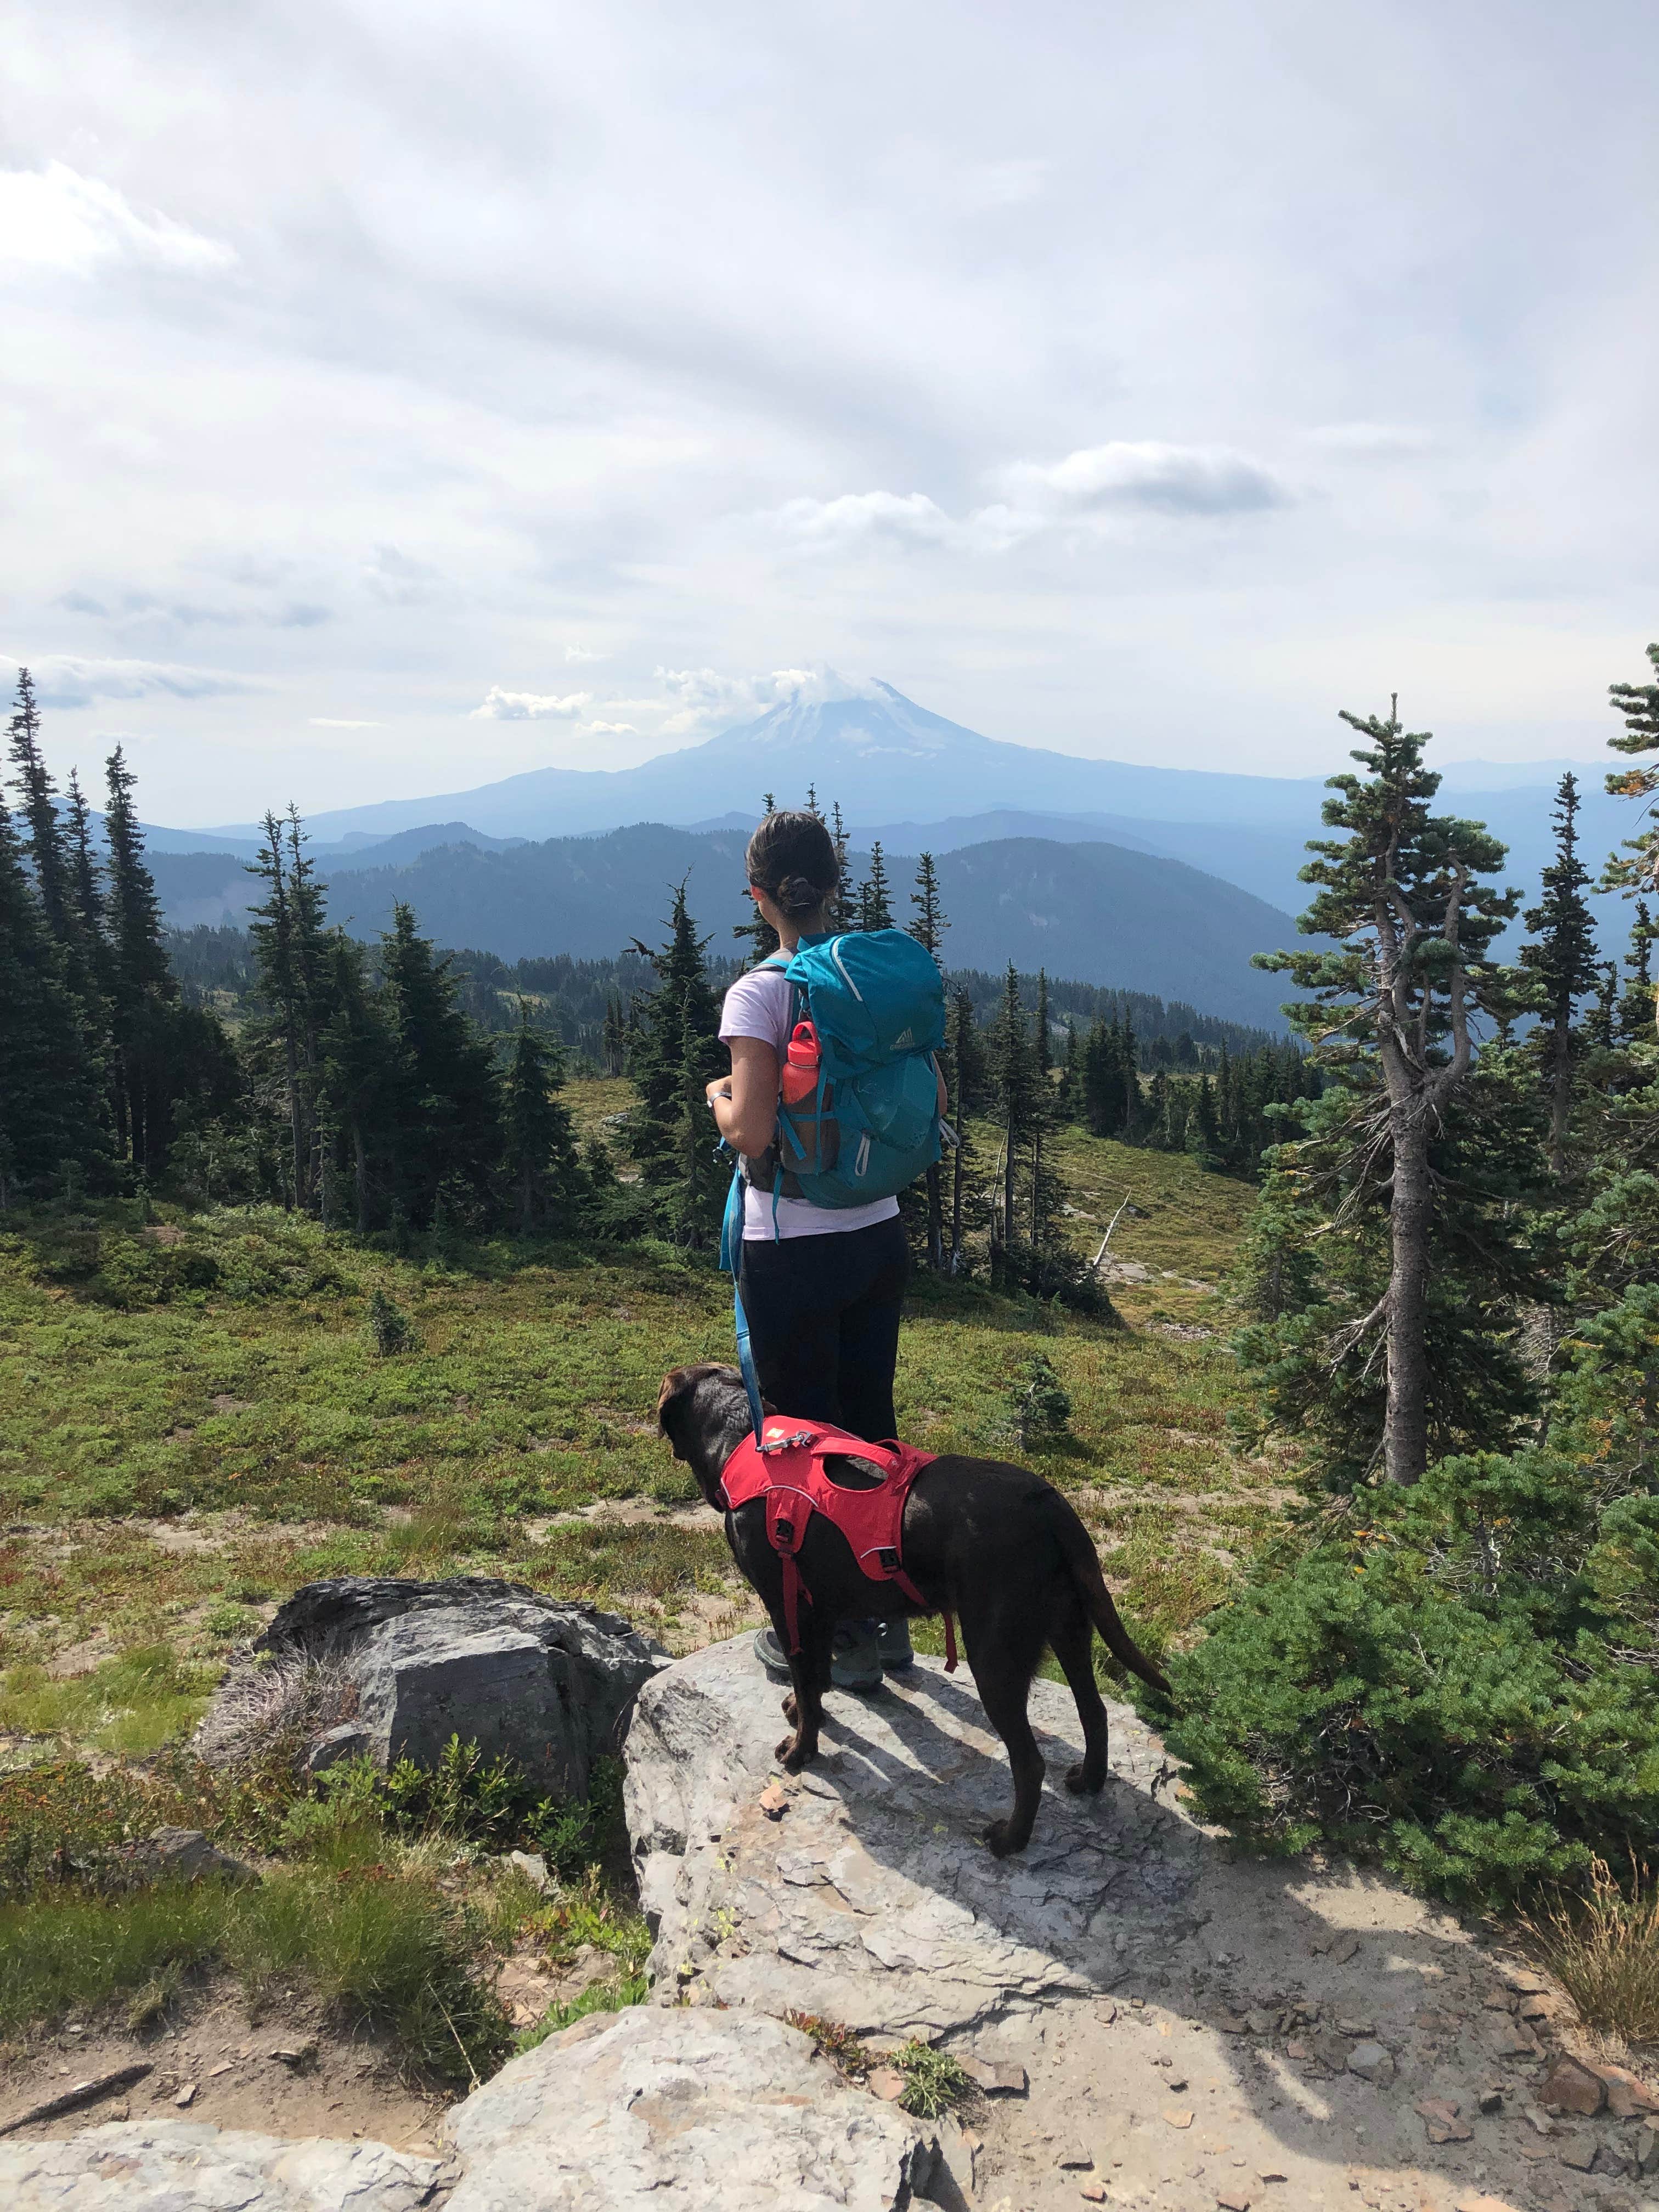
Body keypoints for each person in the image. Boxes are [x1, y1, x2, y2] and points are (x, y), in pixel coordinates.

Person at [706, 809, 943, 1690]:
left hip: (791, 1246)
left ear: (760, 895)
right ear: (835, 886)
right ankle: (886, 1623)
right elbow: (935, 1093)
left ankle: (825, 1638)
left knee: (801, 1447)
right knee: (871, 1431)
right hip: (876, 1233)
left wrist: (719, 1098)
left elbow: (754, 1130)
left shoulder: (760, 993)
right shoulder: (871, 983)